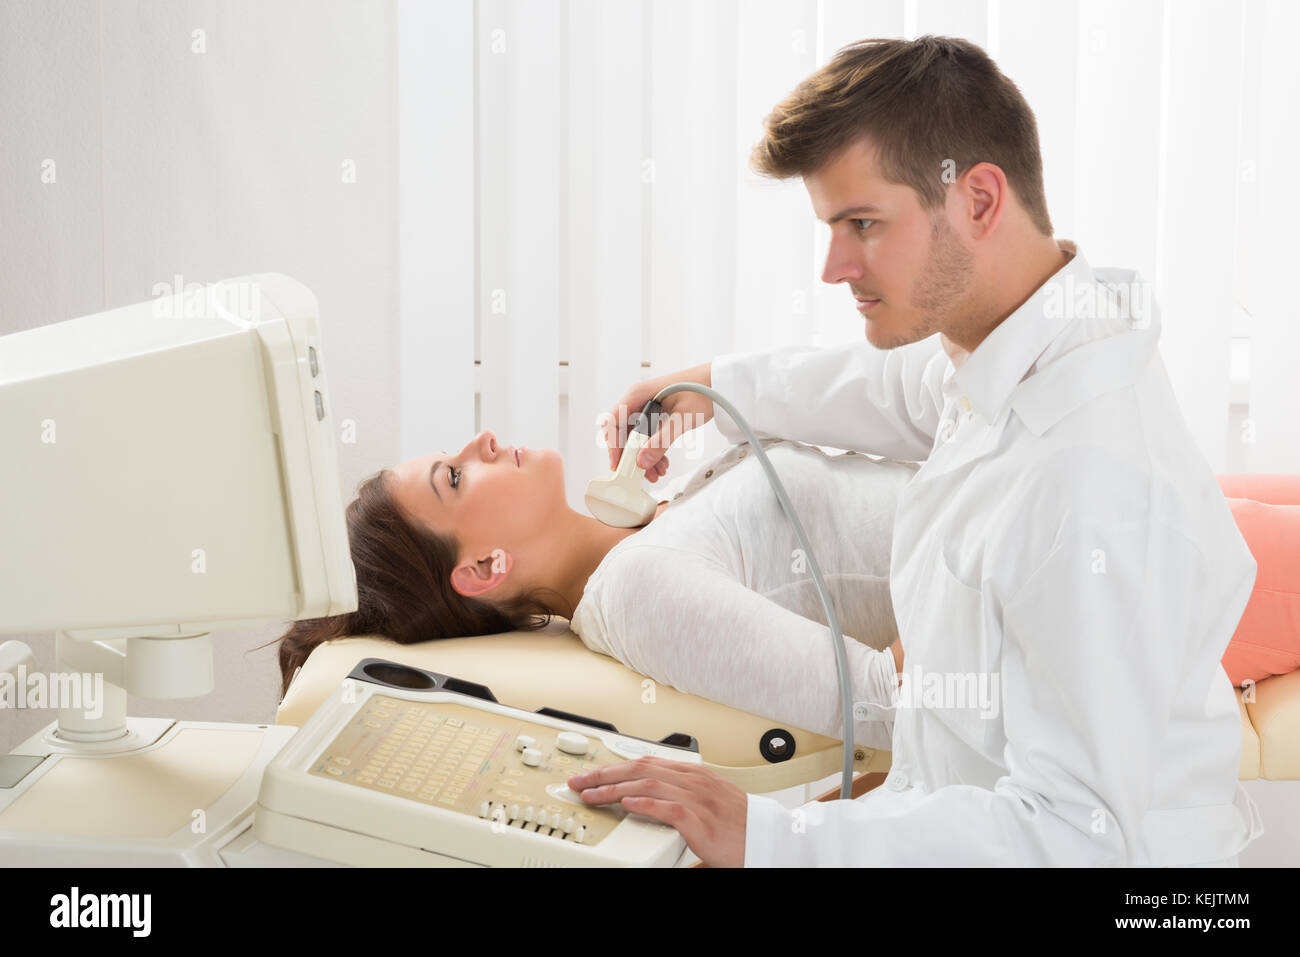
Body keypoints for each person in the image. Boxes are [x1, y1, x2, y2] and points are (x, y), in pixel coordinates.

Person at [567, 35, 1264, 868]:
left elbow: (1075, 835)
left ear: (977, 199)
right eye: (832, 227)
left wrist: (780, 838)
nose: (834, 266)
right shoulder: (1026, 340)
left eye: (863, 224)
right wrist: (714, 384)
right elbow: (893, 391)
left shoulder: (1088, 482)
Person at [273, 428, 913, 749]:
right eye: (456, 476)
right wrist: (994, 545)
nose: (483, 442)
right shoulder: (638, 592)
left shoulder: (650, 517)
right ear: (485, 569)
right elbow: (889, 702)